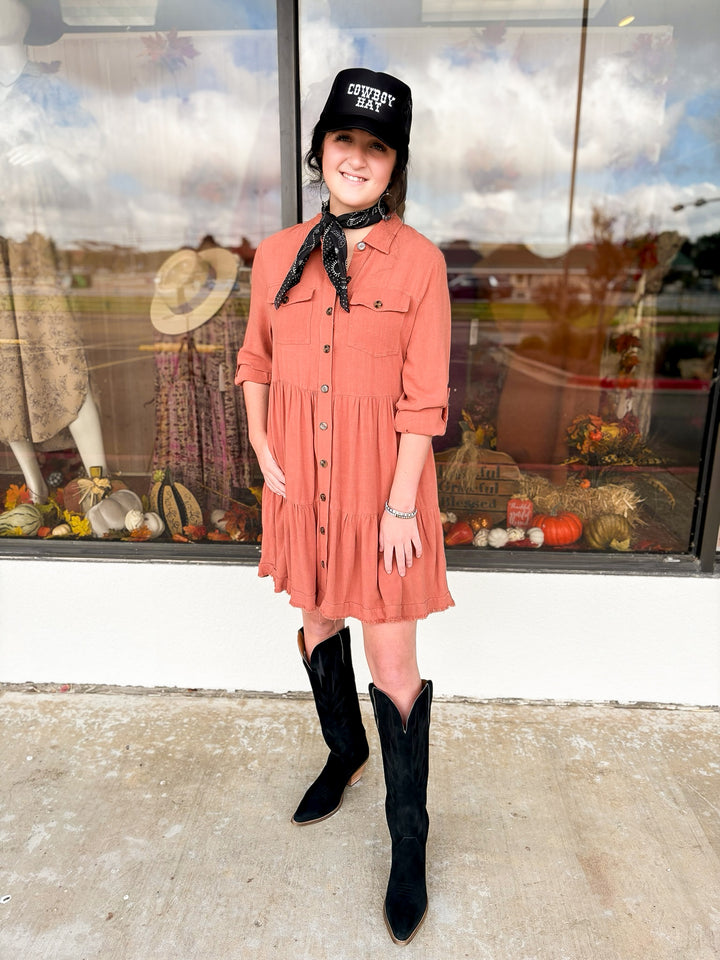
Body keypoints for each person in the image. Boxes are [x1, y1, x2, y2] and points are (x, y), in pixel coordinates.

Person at [235, 67, 453, 945]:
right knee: (319, 625)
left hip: (382, 497)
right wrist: (259, 444)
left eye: (375, 146)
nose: (356, 159)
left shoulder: (421, 261)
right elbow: (254, 359)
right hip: (301, 485)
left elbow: (424, 400)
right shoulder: (276, 253)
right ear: (319, 151)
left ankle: (409, 841)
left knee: (393, 663)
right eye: (342, 142)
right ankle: (344, 751)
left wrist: (400, 510)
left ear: (392, 164)